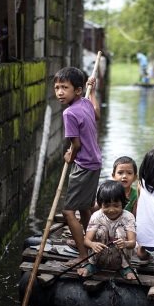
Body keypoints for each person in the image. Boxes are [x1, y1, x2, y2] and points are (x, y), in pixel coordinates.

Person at [54, 66, 101, 266]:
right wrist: (94, 93)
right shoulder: (85, 103)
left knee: (68, 211)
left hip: (83, 166)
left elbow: (76, 145)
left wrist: (70, 157)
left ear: (78, 90)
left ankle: (83, 255)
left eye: (65, 87)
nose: (60, 92)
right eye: (56, 88)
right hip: (96, 162)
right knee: (85, 207)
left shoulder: (69, 113)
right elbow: (97, 114)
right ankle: (92, 243)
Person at [78, 180, 138, 281]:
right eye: (106, 206)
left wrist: (125, 243)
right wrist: (93, 245)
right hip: (100, 257)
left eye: (116, 205)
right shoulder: (96, 216)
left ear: (122, 204)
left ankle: (125, 267)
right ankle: (93, 265)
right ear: (100, 204)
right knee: (101, 230)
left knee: (120, 231)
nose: (111, 210)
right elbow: (86, 241)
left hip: (120, 258)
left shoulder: (128, 217)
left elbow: (132, 243)